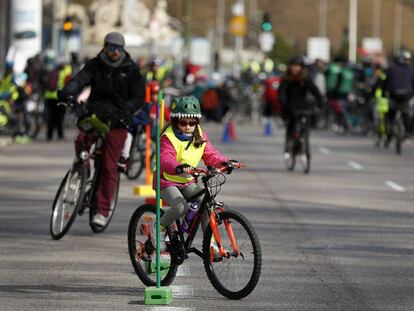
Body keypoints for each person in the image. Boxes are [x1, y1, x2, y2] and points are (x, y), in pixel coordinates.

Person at [58, 32, 145, 227]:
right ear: (104, 47)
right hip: (95, 114)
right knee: (81, 139)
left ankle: (102, 210)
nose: (115, 52)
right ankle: (82, 170)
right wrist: (67, 92)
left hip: (118, 120)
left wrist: (126, 111)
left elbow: (138, 97)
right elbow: (79, 80)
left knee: (108, 166)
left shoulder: (131, 70)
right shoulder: (95, 64)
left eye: (119, 48)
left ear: (123, 50)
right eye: (111, 48)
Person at [152, 95, 237, 251]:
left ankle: (210, 244)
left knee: (206, 205)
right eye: (183, 123)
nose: (188, 126)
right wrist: (179, 166)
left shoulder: (199, 134)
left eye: (192, 122)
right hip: (166, 181)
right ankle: (160, 227)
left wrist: (224, 162)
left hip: (188, 181)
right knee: (180, 207)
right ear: (175, 121)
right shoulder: (168, 137)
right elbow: (165, 159)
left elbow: (210, 154)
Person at [279, 55, 323, 154]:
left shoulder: (305, 78)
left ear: (301, 67)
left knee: (307, 122)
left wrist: (320, 101)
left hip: (303, 104)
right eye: (293, 66)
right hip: (290, 105)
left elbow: (315, 90)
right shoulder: (286, 78)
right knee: (291, 124)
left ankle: (304, 138)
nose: (295, 68)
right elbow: (281, 92)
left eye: (297, 66)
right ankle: (289, 142)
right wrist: (284, 103)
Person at [384, 50, 414, 137]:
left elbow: (384, 83)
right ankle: (408, 131)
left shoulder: (391, 69)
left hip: (393, 95)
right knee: (407, 112)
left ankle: (390, 127)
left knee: (391, 113)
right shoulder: (411, 70)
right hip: (407, 95)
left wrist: (384, 93)